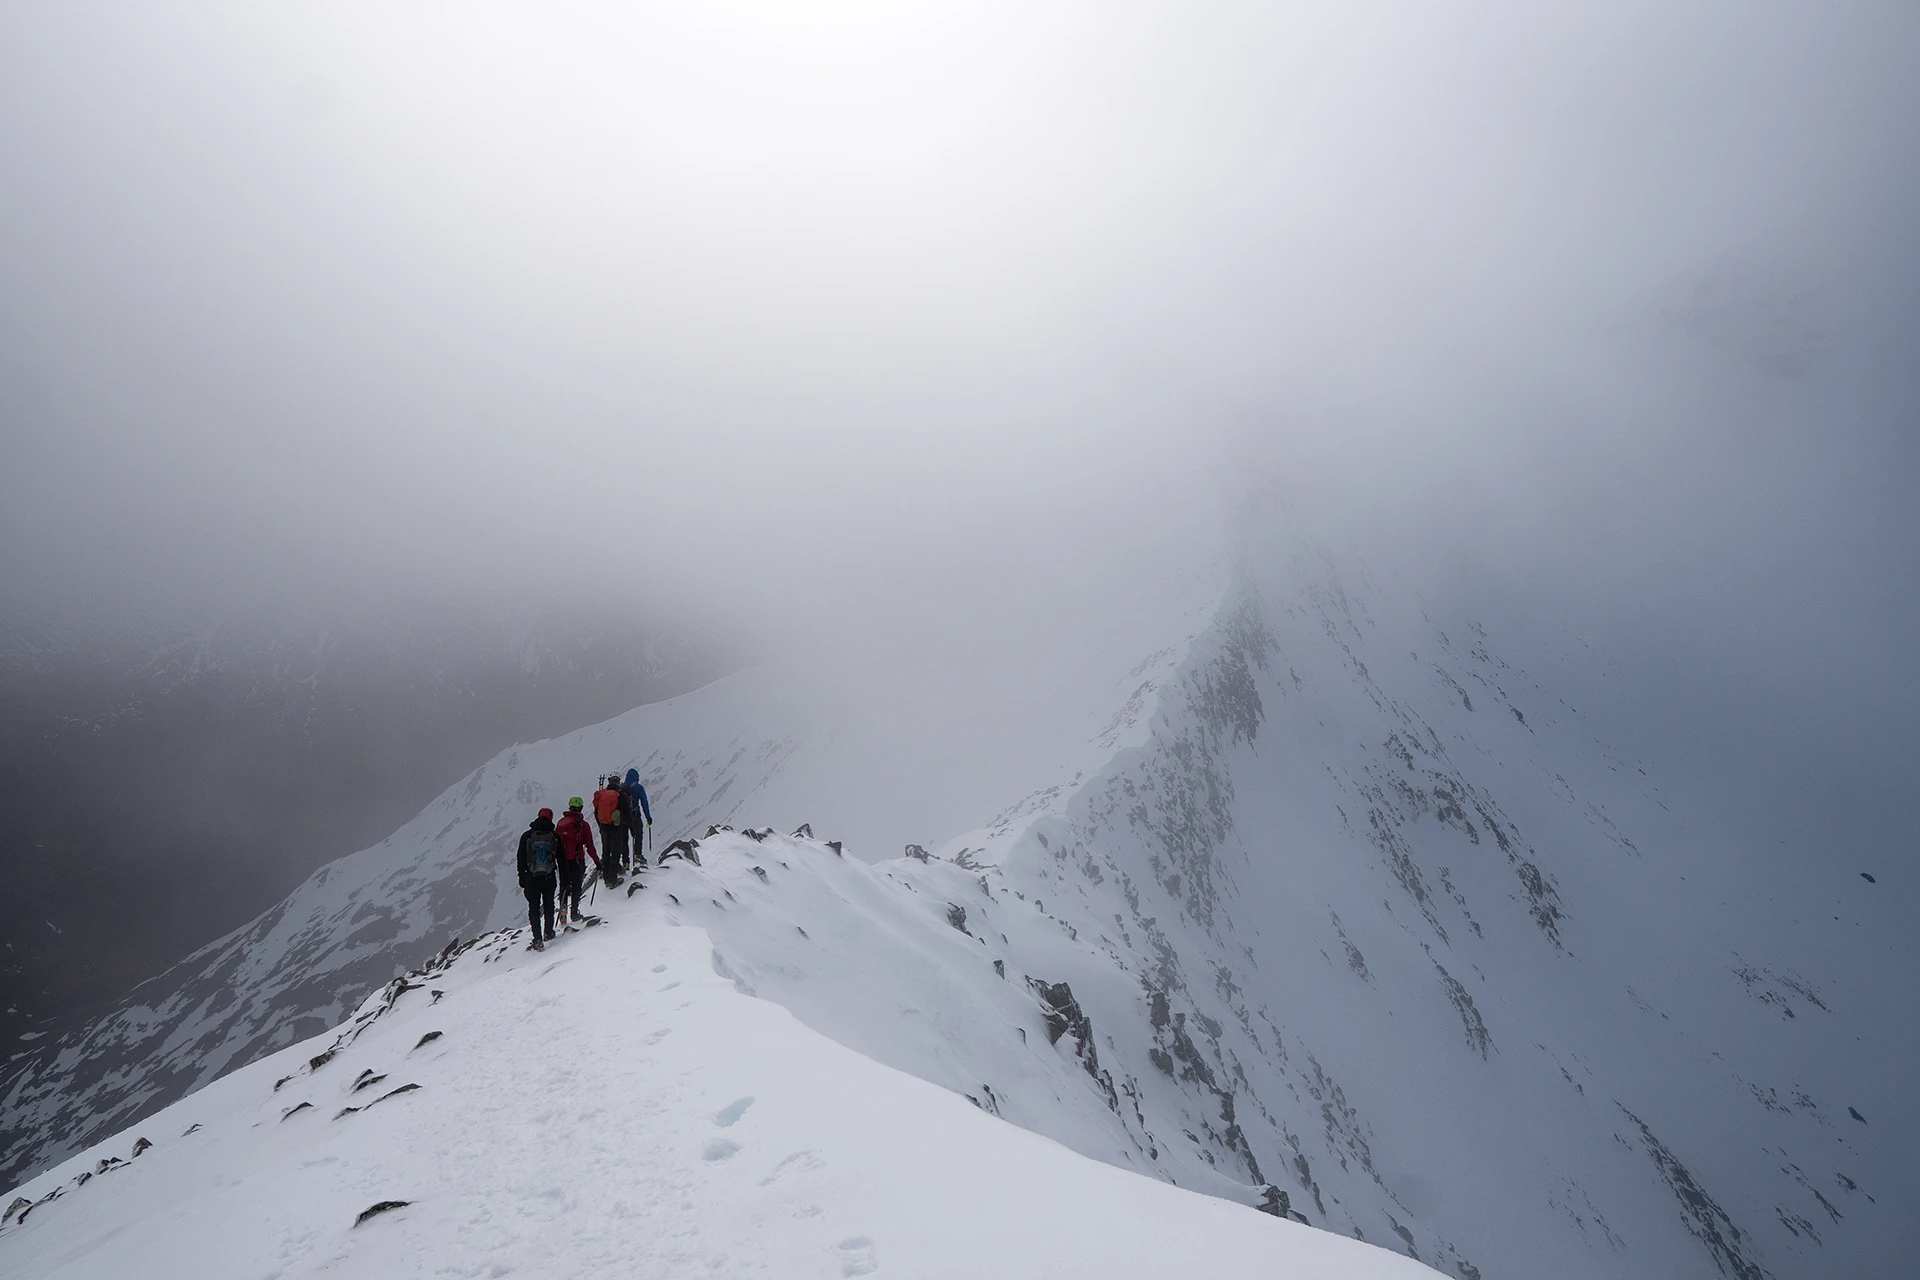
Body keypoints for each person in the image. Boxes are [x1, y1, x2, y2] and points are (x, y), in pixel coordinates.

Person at [516, 808, 561, 950]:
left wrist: (522, 877)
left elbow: (520, 857)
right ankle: (548, 932)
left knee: (534, 908)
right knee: (549, 905)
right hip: (549, 877)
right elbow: (561, 859)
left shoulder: (527, 836)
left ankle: (537, 939)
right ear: (551, 818)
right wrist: (565, 879)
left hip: (532, 878)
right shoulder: (554, 836)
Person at [554, 796, 600, 926]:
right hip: (577, 860)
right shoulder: (583, 825)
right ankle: (574, 912)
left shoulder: (561, 823)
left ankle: (563, 913)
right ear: (580, 808)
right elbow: (589, 846)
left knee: (563, 885)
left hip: (562, 861)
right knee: (576, 886)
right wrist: (597, 861)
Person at [592, 775, 628, 886]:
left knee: (606, 852)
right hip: (616, 828)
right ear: (618, 783)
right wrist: (630, 828)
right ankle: (612, 879)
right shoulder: (621, 795)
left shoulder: (602, 795)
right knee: (615, 853)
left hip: (604, 827)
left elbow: (596, 812)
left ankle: (606, 876)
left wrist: (600, 827)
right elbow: (627, 813)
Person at [620, 768, 653, 869]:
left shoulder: (621, 787)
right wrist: (648, 817)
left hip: (623, 817)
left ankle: (625, 861)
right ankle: (637, 855)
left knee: (624, 839)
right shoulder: (638, 787)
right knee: (638, 834)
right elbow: (644, 803)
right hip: (635, 815)